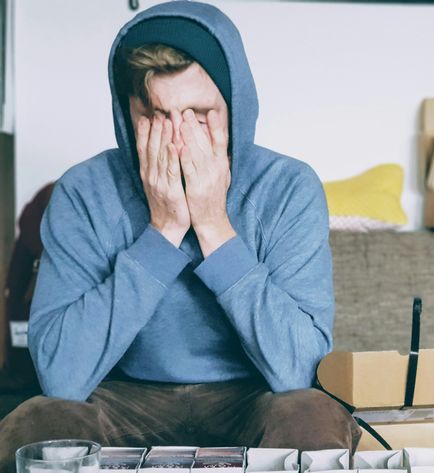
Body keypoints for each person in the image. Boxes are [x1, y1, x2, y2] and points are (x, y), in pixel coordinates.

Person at [0, 1, 360, 470]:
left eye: (199, 113)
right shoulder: (83, 192)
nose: (176, 140)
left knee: (310, 414)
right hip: (123, 396)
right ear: (127, 113)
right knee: (37, 423)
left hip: (252, 396)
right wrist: (164, 230)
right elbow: (62, 378)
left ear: (236, 105)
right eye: (154, 114)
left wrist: (213, 226)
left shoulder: (288, 187)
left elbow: (299, 371)